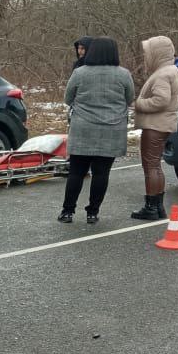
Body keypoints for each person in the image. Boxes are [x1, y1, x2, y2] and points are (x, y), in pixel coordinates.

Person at [59, 36, 134, 224]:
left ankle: (67, 211)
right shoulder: (124, 74)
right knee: (101, 173)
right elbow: (129, 98)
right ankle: (93, 212)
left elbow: (68, 98)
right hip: (112, 129)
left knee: (76, 172)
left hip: (83, 128)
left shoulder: (80, 73)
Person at [130, 35, 178, 220]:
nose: (146, 57)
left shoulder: (162, 74)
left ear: (157, 53)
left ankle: (151, 207)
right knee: (156, 167)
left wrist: (139, 104)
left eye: (148, 53)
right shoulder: (171, 70)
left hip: (155, 125)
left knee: (150, 167)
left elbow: (161, 100)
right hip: (163, 124)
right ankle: (158, 207)